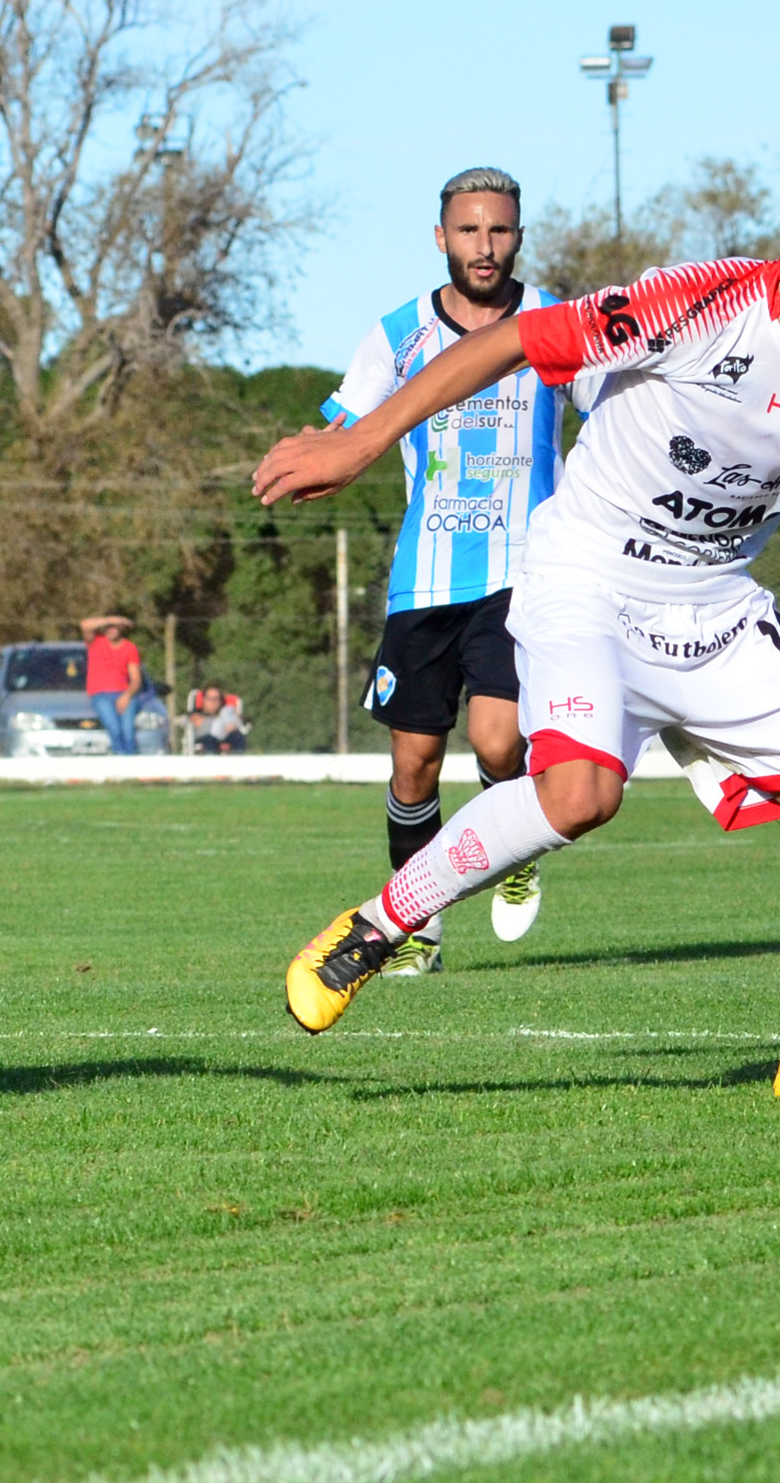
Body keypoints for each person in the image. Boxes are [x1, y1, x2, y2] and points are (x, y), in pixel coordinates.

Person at [258, 138, 780, 1104]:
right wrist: (362, 442)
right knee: (579, 795)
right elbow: (507, 343)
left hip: (717, 608)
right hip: (588, 580)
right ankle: (375, 927)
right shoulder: (699, 302)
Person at [320, 167, 568, 974]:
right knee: (413, 763)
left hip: (524, 570)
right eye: (469, 230)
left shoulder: (559, 323)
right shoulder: (396, 336)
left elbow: (617, 419)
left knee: (501, 744)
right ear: (442, 239)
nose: (484, 246)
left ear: (518, 236)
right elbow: (342, 429)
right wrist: (303, 459)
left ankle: (516, 847)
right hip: (423, 581)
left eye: (498, 230)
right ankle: (414, 930)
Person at [80, 615, 144, 756]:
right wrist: (111, 620)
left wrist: (126, 696)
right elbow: (84, 624)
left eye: (115, 627)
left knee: (128, 731)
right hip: (100, 694)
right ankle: (119, 756)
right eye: (109, 627)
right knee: (114, 728)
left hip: (123, 693)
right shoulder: (96, 642)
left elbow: (136, 680)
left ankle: (131, 760)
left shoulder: (129, 648)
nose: (112, 630)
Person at [187, 687, 249, 754]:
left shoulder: (225, 712)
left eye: (216, 699)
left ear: (220, 701)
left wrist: (235, 723)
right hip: (206, 739)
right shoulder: (196, 713)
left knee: (238, 737)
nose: (213, 702)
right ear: (204, 700)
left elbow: (242, 720)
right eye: (210, 698)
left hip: (226, 737)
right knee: (209, 740)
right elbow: (196, 721)